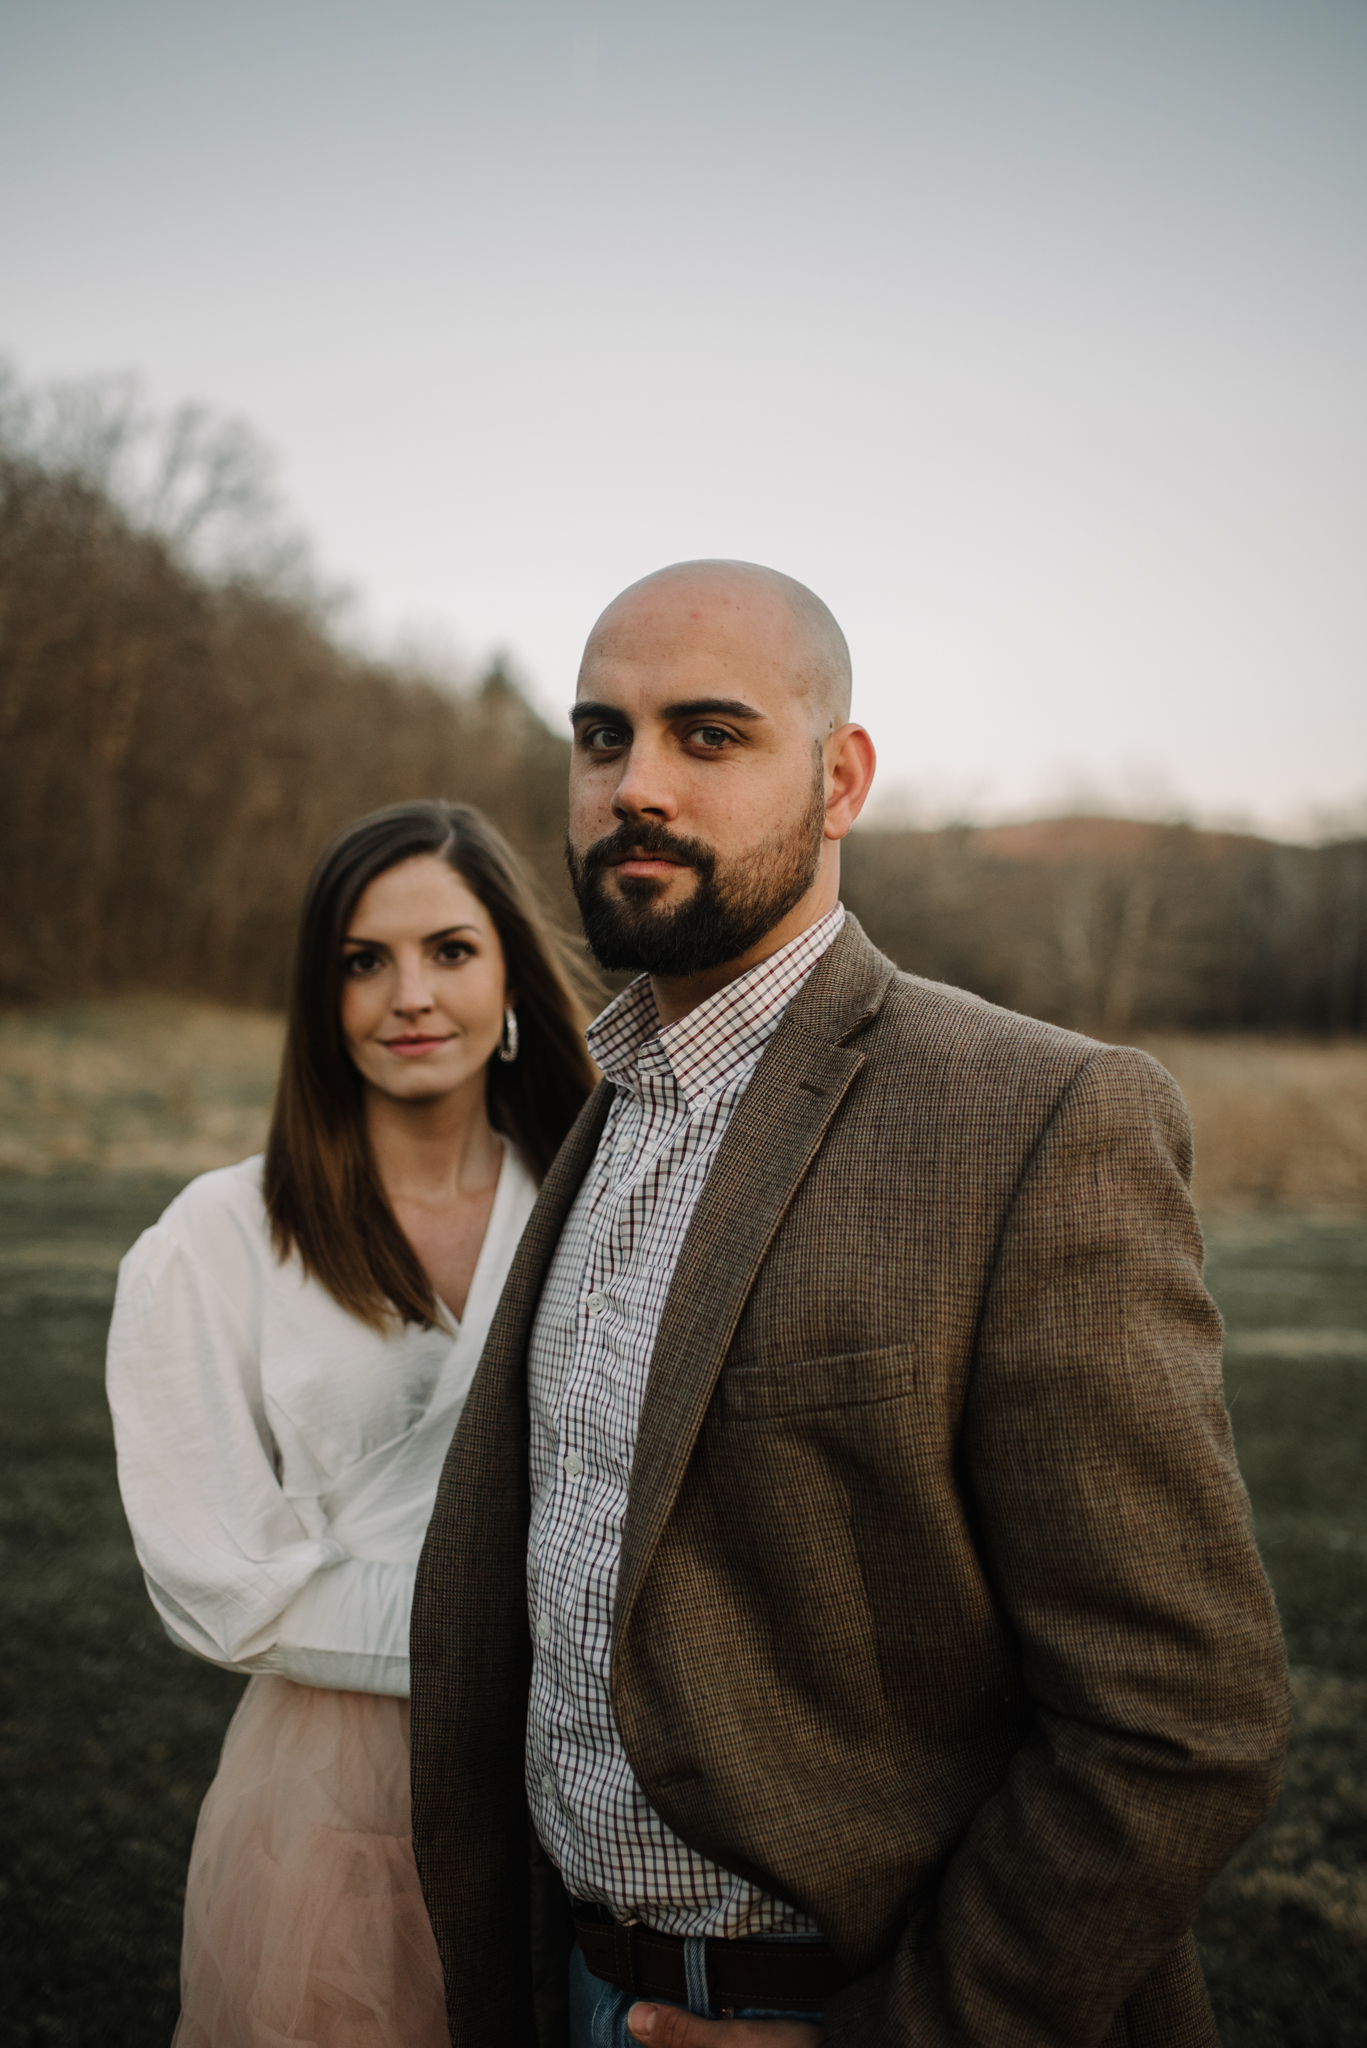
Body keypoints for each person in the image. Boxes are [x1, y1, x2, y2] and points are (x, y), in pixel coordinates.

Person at [410, 561, 1292, 2048]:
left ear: (840, 780)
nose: (637, 786)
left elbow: (1178, 1718)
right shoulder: (605, 1110)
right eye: (600, 737)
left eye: (708, 736)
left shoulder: (1035, 1118)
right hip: (565, 1986)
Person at [106, 800, 596, 2048]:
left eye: (448, 949)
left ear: (511, 975)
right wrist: (507, 1639)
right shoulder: (217, 1237)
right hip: (339, 1793)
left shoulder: (595, 1202)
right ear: (319, 998)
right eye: (361, 961)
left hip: (592, 1781)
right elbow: (220, 1582)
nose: (408, 995)